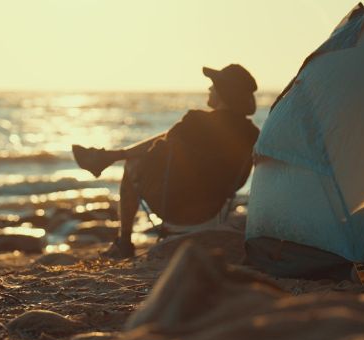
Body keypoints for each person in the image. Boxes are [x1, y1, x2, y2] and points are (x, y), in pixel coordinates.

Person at [72, 64, 260, 259]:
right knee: (171, 137)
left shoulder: (195, 121)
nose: (210, 89)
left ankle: (124, 242)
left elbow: (157, 149)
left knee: (132, 164)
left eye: (214, 85)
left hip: (175, 207)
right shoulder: (252, 134)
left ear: (223, 92)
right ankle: (109, 156)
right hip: (213, 209)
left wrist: (128, 155)